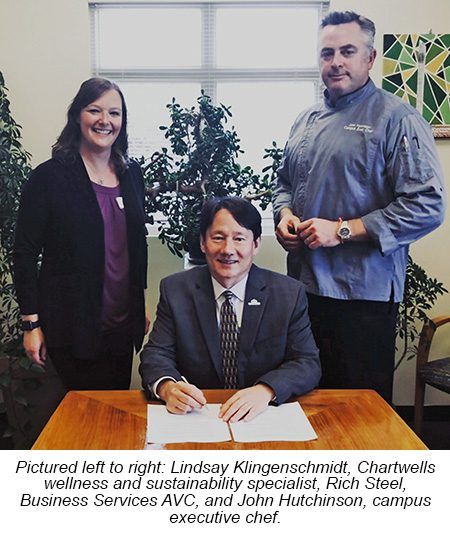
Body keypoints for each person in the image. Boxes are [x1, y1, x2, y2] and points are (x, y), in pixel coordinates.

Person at [272, 11, 445, 403]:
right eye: (327, 52)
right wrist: (283, 215)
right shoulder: (305, 120)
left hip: (361, 300)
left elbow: (428, 205)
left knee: (357, 414)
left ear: (370, 57)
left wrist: (344, 229)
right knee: (307, 404)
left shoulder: (398, 119)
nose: (336, 61)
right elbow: (282, 184)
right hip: (303, 292)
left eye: (347, 51)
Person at [13, 77, 149, 391]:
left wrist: (139, 304)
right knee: (81, 421)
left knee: (114, 416)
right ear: (77, 116)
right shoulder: (49, 177)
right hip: (70, 326)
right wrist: (30, 323)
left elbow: (135, 245)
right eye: (94, 110)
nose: (105, 121)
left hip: (121, 325)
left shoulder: (132, 175)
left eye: (114, 113)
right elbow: (24, 252)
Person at [139, 196, 320, 422]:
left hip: (263, 418)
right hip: (197, 418)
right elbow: (156, 354)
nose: (228, 249)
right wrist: (167, 387)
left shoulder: (288, 294)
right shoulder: (176, 290)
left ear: (256, 244)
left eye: (239, 238)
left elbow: (306, 362)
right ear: (203, 243)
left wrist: (266, 390)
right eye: (218, 238)